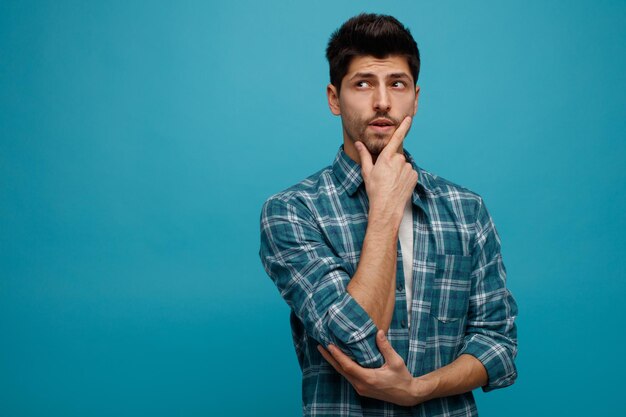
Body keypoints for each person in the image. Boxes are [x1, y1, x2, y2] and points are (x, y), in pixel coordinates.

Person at [259, 13, 517, 417]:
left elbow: (497, 344)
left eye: (397, 84)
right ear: (334, 98)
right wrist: (384, 209)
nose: (382, 101)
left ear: (416, 97)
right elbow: (352, 339)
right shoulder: (292, 211)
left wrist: (418, 389)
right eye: (362, 83)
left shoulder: (467, 209)